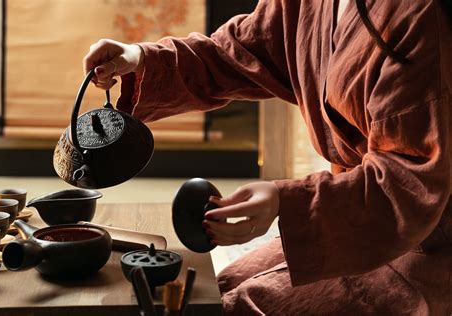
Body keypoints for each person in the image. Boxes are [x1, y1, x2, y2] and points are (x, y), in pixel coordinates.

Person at [83, 0, 452, 314]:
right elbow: (238, 52)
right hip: (350, 218)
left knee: (243, 304)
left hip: (422, 242)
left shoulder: (416, 16)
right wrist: (140, 58)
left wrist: (283, 200)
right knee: (209, 291)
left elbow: (408, 183)